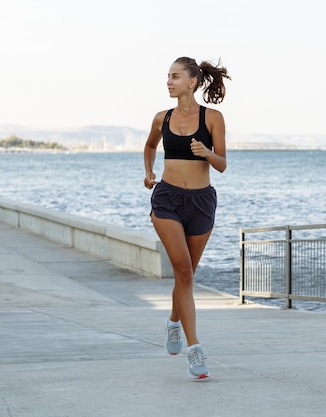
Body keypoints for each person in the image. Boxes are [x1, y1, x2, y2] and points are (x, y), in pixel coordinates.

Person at [143, 56, 230, 379]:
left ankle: (173, 322)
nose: (168, 81)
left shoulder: (213, 118)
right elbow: (150, 147)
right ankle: (195, 350)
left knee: (187, 276)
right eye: (167, 76)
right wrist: (149, 171)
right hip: (167, 200)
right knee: (182, 270)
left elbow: (221, 163)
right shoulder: (161, 118)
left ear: (192, 82)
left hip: (201, 201)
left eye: (175, 76)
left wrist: (207, 153)